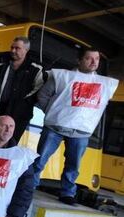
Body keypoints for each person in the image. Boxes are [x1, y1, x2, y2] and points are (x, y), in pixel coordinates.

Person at [32, 48, 119, 205]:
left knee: (73, 165)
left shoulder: (104, 84)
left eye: (96, 59)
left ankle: (67, 193)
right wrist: (52, 113)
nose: (93, 62)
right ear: (79, 60)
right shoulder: (62, 77)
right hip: (55, 127)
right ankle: (29, 185)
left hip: (81, 131)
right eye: (89, 58)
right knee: (40, 159)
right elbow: (43, 95)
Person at [0, 36, 44, 143]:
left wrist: (24, 103)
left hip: (20, 115)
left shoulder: (35, 69)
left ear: (26, 50)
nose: (13, 50)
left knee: (11, 144)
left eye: (17, 48)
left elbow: (39, 89)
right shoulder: (0, 66)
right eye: (12, 47)